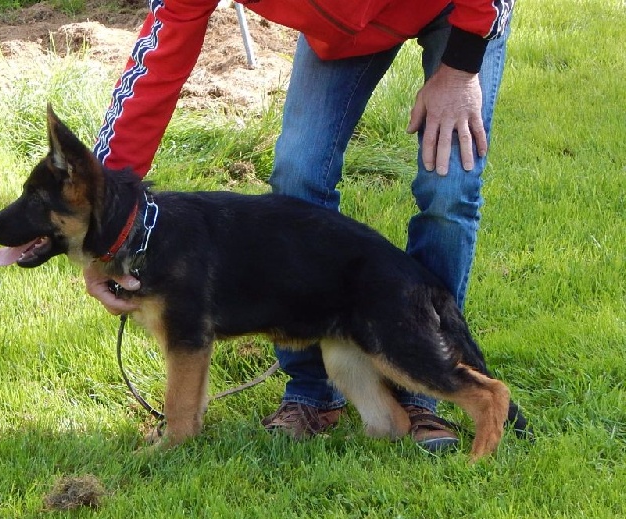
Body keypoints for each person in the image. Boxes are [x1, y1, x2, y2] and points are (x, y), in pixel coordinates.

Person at [83, 0, 515, 452]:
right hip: (341, 28)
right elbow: (157, 62)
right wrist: (108, 226)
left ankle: (422, 385)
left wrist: (462, 68)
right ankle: (312, 393)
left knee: (448, 188)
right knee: (298, 173)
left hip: (458, 12)